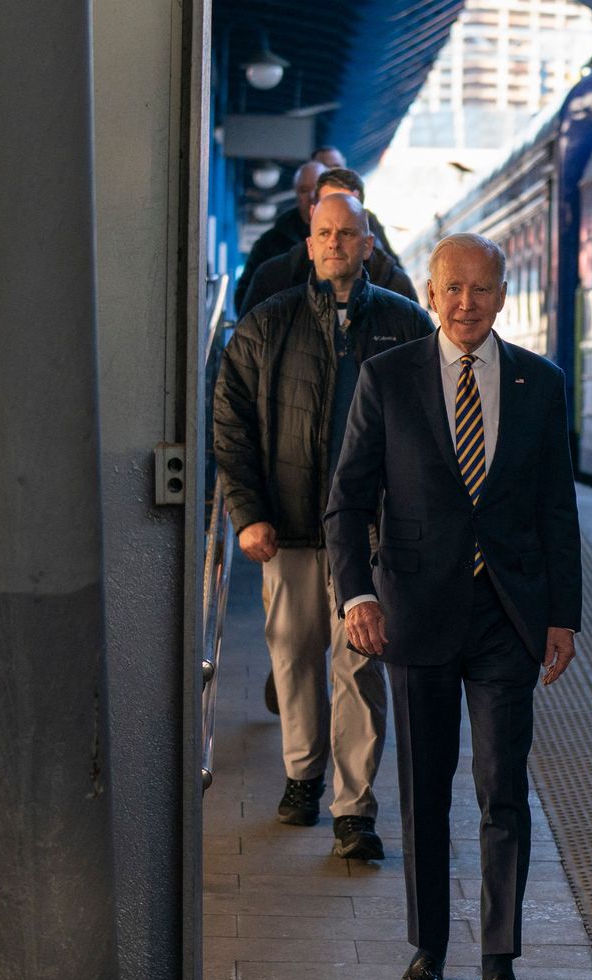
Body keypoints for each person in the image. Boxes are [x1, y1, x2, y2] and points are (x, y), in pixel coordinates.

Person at [326, 232, 582, 980]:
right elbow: (348, 500)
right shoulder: (388, 378)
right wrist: (356, 597)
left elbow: (556, 509)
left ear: (504, 295)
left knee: (504, 791)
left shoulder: (540, 383)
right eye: (452, 289)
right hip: (416, 614)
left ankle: (500, 965)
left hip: (507, 616)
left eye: (481, 289)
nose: (466, 303)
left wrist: (562, 617)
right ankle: (428, 951)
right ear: (432, 295)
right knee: (426, 790)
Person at [213, 193, 436, 860]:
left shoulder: (405, 326)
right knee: (294, 658)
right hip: (291, 529)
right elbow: (230, 427)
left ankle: (353, 809)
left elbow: (433, 435)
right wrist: (246, 516)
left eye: (348, 234)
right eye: (324, 233)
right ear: (307, 246)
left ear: (370, 245)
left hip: (370, 538)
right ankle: (302, 776)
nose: (336, 243)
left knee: (359, 669)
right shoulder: (266, 325)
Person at [240, 168, 417, 315]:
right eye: (328, 205)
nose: (338, 216)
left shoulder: (394, 282)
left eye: (349, 208)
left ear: (364, 218)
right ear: (312, 213)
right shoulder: (273, 276)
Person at [233, 160, 324, 310]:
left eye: (318, 189)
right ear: (296, 194)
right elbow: (243, 300)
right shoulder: (268, 244)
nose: (312, 196)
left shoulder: (344, 241)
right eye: (304, 190)